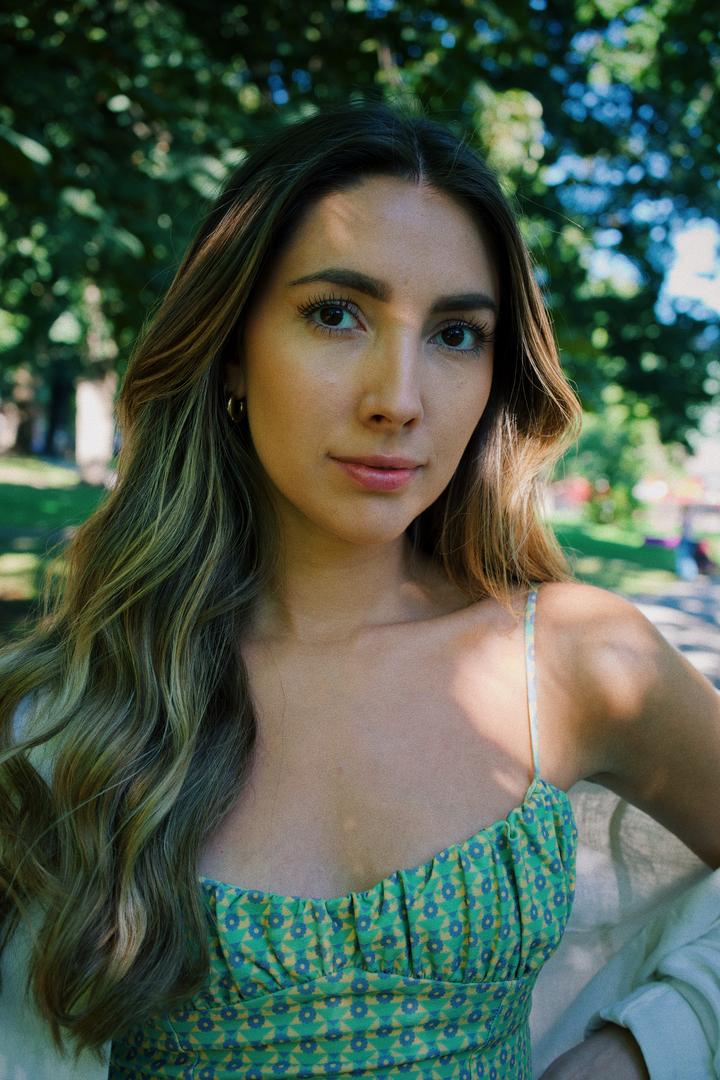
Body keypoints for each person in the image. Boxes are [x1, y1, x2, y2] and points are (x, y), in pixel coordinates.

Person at [1, 98, 719, 1080]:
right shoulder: (73, 704)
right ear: (230, 352)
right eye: (336, 314)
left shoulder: (574, 661)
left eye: (456, 333)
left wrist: (646, 1046)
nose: (400, 399)